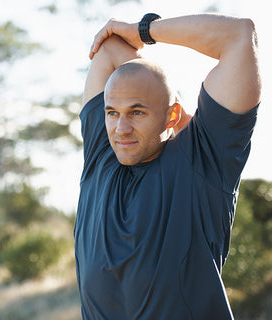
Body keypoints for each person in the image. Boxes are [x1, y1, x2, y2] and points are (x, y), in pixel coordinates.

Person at [74, 13, 261, 319]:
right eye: (112, 112)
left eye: (137, 112)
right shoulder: (101, 157)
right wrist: (166, 108)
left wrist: (143, 30)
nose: (121, 128)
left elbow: (240, 36)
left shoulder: (203, 163)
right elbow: (107, 50)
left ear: (171, 116)